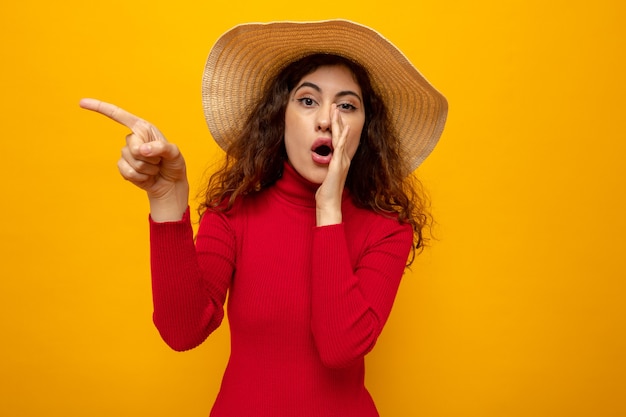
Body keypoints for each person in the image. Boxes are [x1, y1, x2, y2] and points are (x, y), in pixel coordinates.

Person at [80, 19, 447, 417]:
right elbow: (182, 331)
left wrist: (328, 210)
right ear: (280, 117)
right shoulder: (235, 209)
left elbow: (339, 348)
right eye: (308, 101)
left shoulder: (386, 228)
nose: (327, 119)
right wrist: (167, 202)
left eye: (347, 105)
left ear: (365, 130)